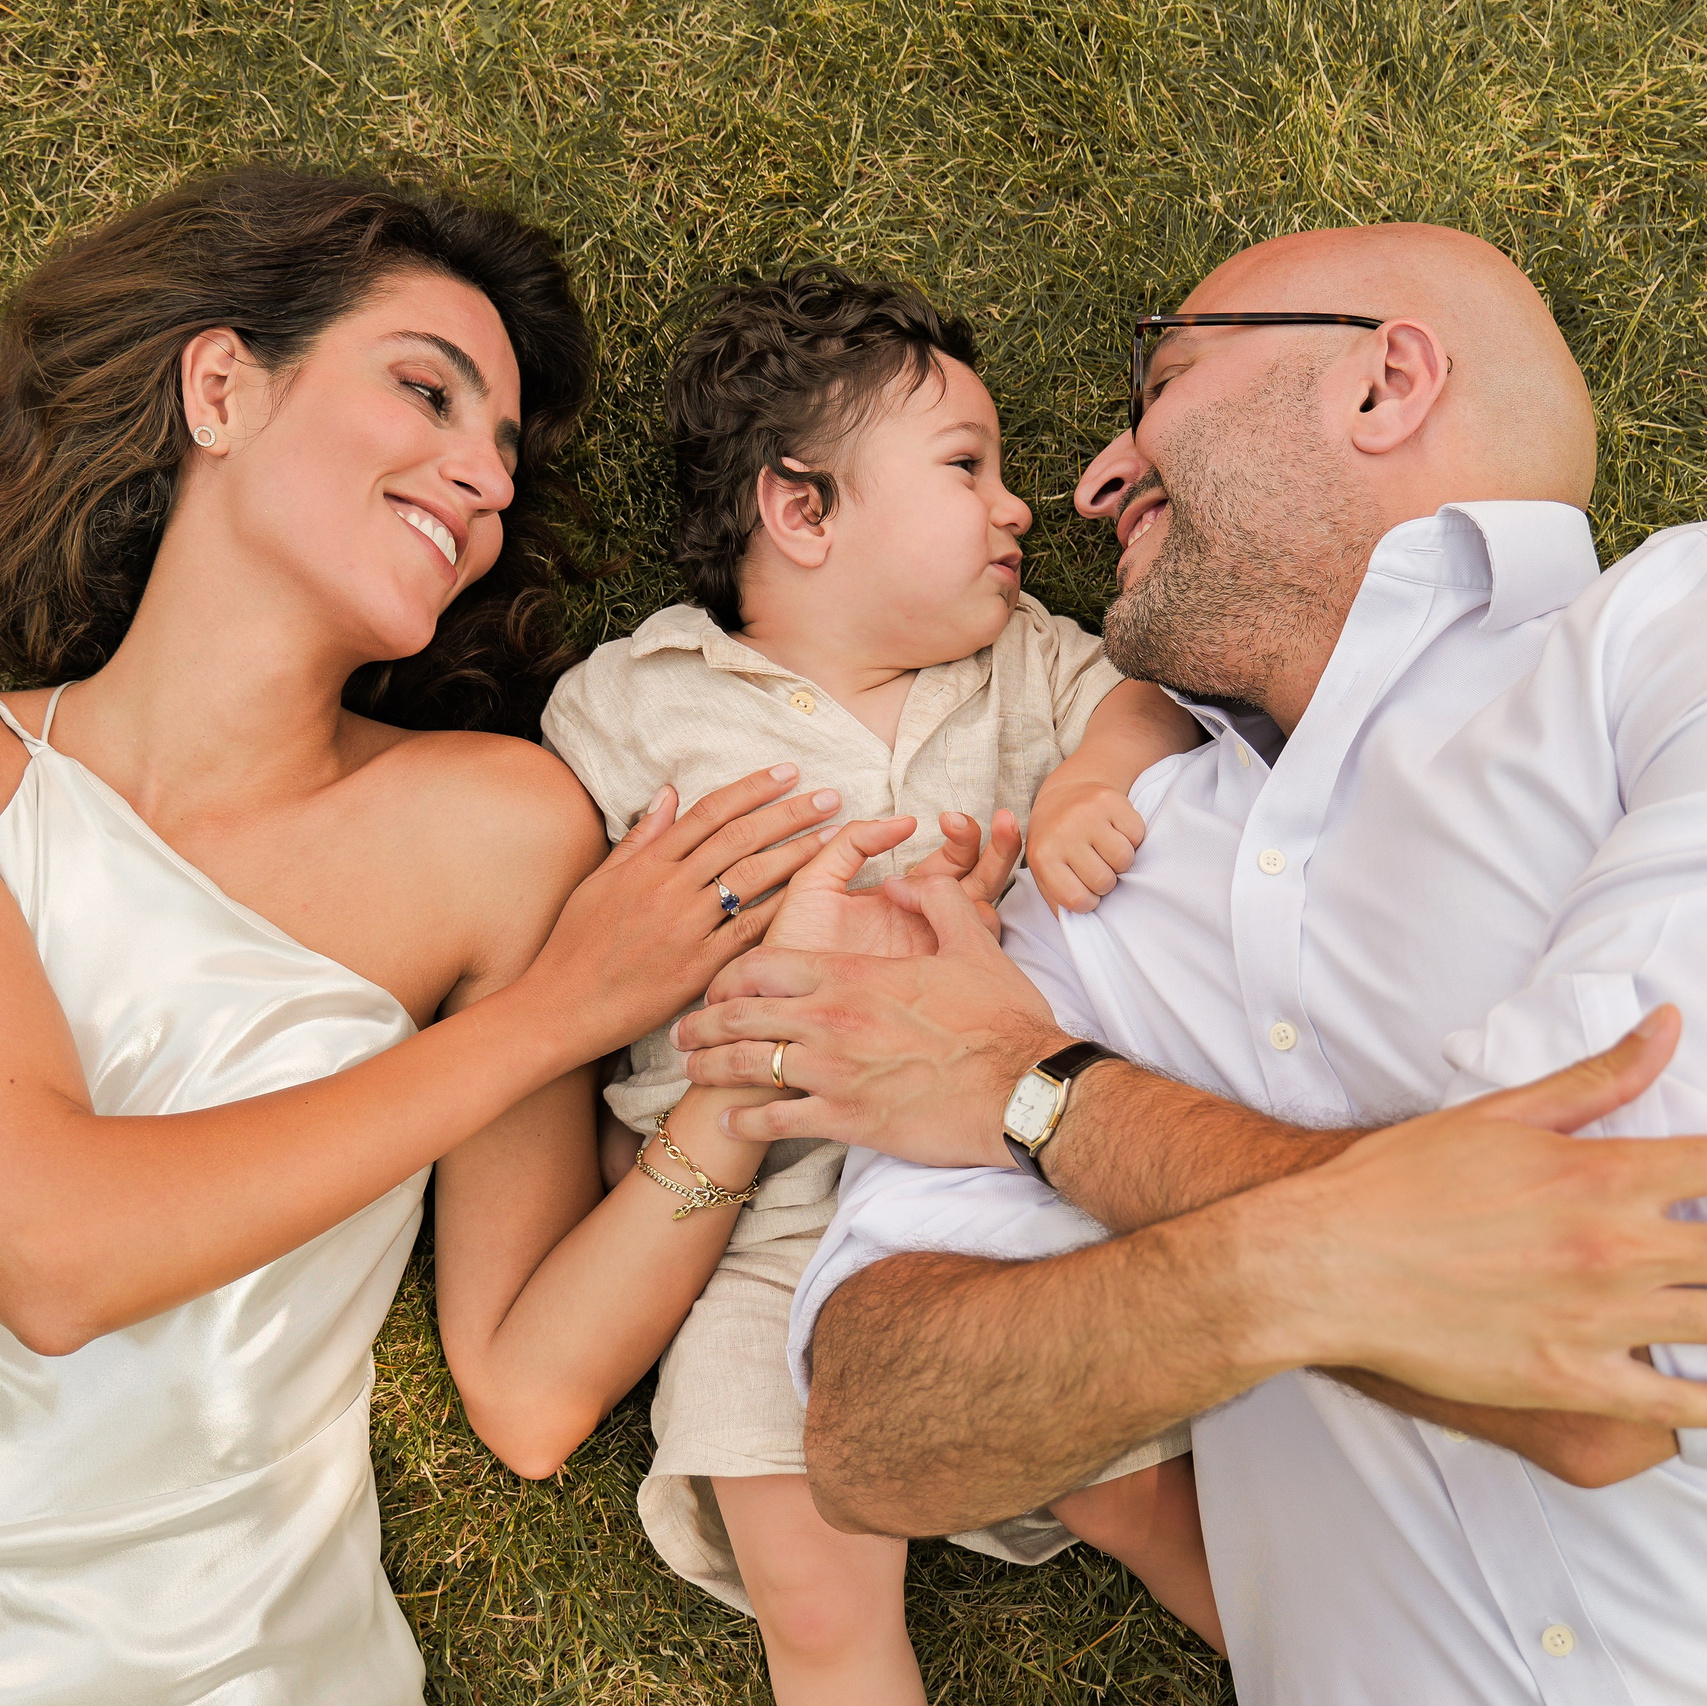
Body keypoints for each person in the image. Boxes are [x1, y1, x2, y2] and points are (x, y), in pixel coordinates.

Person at [673, 223, 1707, 1703]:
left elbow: (1621, 1324)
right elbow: (877, 1428)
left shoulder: (1674, 638)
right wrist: (1321, 1256)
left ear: (1382, 383)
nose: (1095, 479)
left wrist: (1045, 1102)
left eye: (1161, 381)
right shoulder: (1086, 876)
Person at [0, 167, 920, 1705]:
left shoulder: (497, 830)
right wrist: (551, 1016)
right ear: (223, 388)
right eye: (425, 393)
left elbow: (530, 1393)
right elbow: (55, 1252)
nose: (482, 481)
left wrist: (746, 1078)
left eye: (502, 454)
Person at [540, 266, 1218, 1703]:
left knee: (1148, 1504)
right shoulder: (630, 700)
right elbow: (579, 940)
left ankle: (1383, 1658)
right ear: (801, 510)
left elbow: (1149, 696)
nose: (1017, 507)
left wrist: (1097, 779)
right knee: (815, 1599)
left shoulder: (1030, 664)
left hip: (1014, 1181)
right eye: (968, 467)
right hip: (761, 1228)